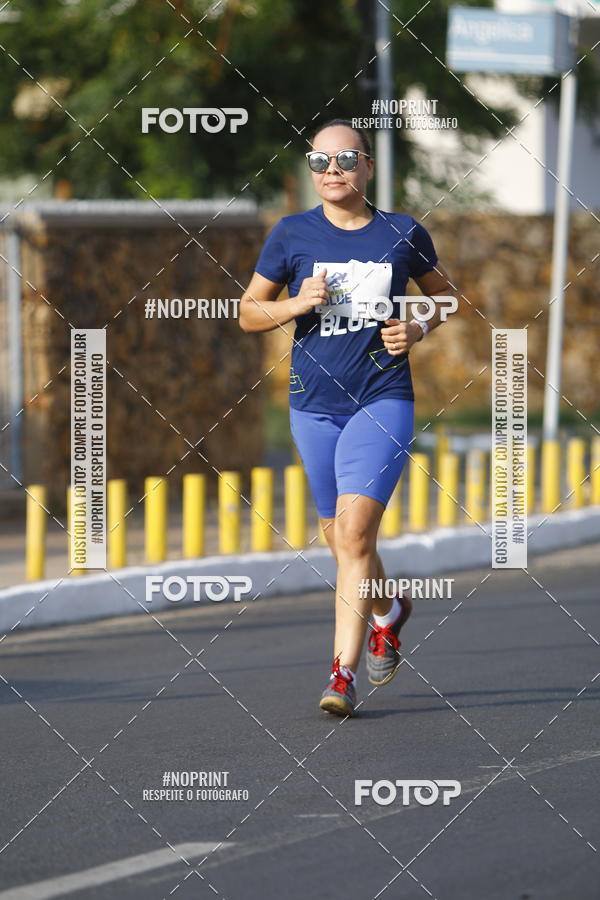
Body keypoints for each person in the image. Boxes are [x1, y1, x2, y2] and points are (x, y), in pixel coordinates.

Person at [239, 118, 454, 717]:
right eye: (319, 162)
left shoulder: (400, 232)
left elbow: (447, 297)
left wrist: (418, 326)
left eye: (344, 160)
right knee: (339, 539)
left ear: (368, 167)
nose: (331, 172)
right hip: (313, 406)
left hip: (383, 399)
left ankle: (342, 674)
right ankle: (389, 611)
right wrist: (295, 304)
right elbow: (247, 314)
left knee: (357, 536)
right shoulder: (291, 233)